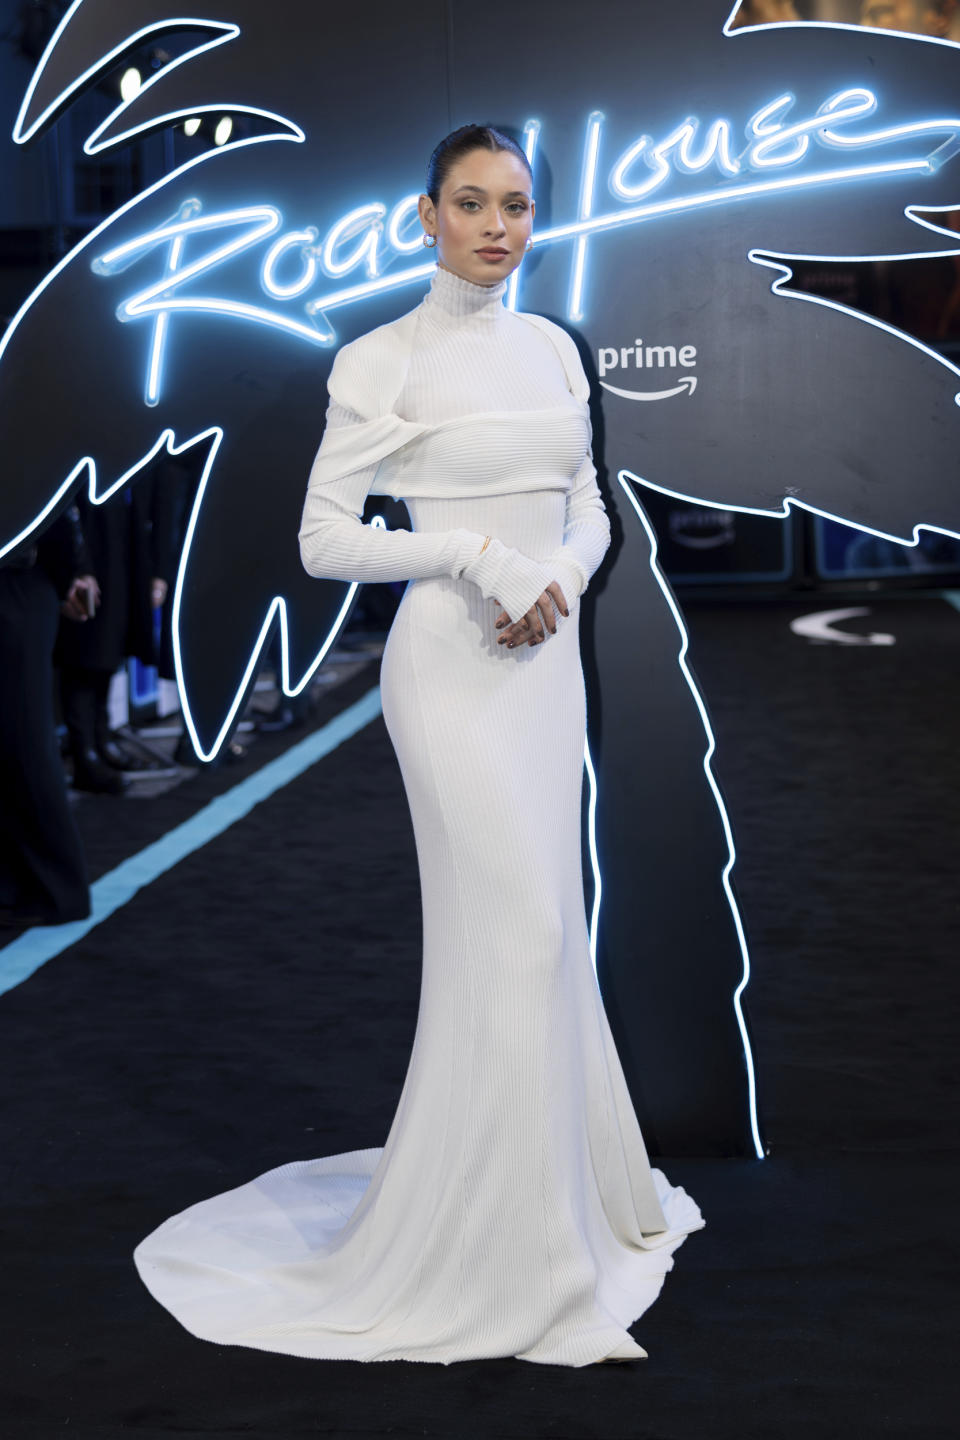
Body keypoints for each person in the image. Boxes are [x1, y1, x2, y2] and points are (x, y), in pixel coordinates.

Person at [132, 125, 704, 1367]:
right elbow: (324, 541)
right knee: (523, 931)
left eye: (516, 205)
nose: (496, 225)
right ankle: (514, 1263)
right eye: (470, 203)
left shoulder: (555, 348)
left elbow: (592, 506)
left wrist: (549, 569)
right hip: (448, 671)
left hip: (544, 665)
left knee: (547, 939)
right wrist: (472, 554)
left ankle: (549, 1208)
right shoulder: (379, 360)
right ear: (425, 217)